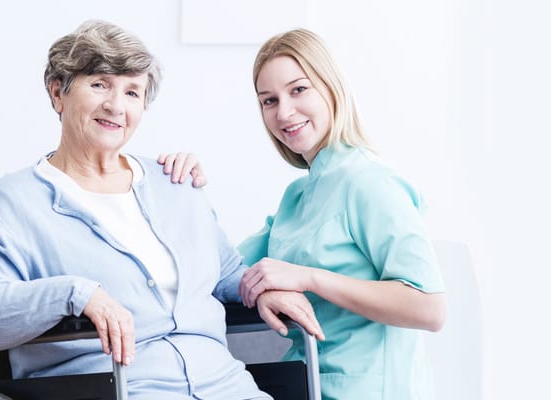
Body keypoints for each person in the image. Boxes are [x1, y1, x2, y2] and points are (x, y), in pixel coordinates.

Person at [0, 20, 321, 399]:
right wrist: (75, 293)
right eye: (99, 84)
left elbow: (223, 273)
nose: (115, 105)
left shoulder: (174, 183)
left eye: (132, 92)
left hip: (227, 387)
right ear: (57, 93)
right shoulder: (13, 203)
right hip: (116, 389)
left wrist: (257, 291)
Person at [160, 28, 446, 400]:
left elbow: (429, 307)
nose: (284, 112)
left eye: (298, 90)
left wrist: (309, 278)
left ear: (330, 87)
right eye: (269, 100)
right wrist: (184, 190)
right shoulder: (297, 197)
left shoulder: (370, 184)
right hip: (304, 384)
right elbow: (221, 271)